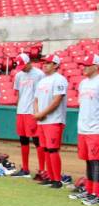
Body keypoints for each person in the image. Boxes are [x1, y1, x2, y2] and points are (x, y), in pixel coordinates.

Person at [33, 55, 69, 188]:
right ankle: (50, 176)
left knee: (53, 150)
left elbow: (57, 100)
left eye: (49, 63)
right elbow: (35, 99)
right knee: (46, 149)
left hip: (54, 120)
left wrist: (42, 114)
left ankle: (57, 180)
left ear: (56, 65)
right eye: (44, 63)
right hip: (42, 121)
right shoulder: (42, 81)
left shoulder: (60, 80)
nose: (45, 65)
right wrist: (37, 113)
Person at [11, 53, 46, 178]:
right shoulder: (19, 75)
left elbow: (41, 95)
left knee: (37, 140)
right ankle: (25, 169)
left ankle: (42, 170)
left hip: (33, 112)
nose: (22, 68)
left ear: (29, 62)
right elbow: (19, 93)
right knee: (23, 140)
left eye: (23, 65)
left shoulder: (39, 74)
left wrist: (38, 111)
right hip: (21, 111)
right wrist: (18, 106)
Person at [73, 53, 99, 206]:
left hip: (95, 129)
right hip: (83, 128)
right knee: (88, 161)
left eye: (87, 66)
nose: (84, 68)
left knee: (96, 161)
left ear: (96, 67)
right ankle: (89, 191)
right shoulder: (83, 83)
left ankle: (96, 193)